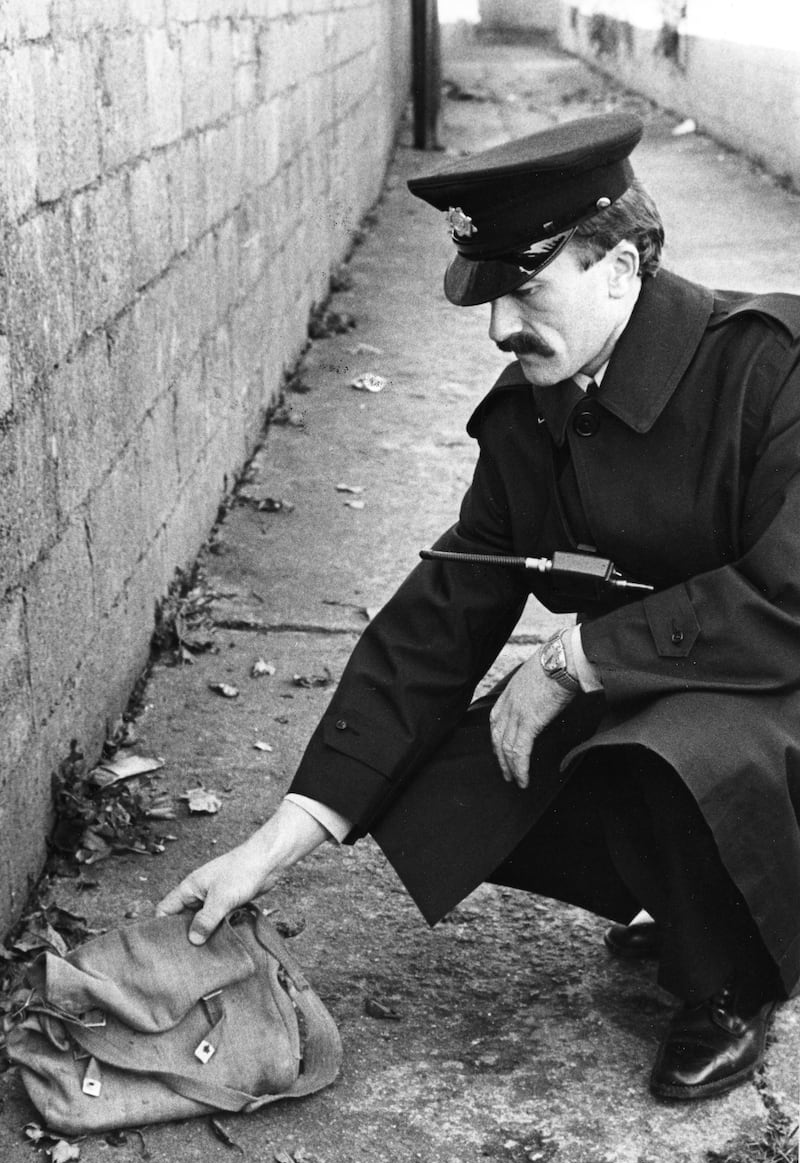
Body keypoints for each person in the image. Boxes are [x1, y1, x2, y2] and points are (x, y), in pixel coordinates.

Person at [157, 113, 800, 1102]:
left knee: (666, 748)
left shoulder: (772, 368)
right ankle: (688, 891)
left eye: (525, 287)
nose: (500, 326)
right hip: (672, 689)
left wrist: (571, 658)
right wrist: (270, 842)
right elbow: (436, 624)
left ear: (620, 265)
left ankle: (733, 979)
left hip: (774, 683)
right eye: (486, 293)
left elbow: (780, 599)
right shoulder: (531, 411)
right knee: (429, 777)